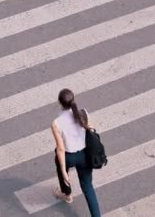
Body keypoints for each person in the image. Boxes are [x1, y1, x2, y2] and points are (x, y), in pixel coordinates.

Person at [51, 88, 101, 217]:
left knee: (58, 159)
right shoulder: (84, 113)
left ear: (59, 102)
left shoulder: (56, 123)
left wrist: (63, 172)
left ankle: (67, 194)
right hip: (85, 156)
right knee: (88, 186)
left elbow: (61, 149)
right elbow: (91, 130)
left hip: (69, 157)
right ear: (74, 99)